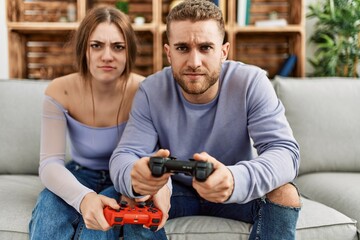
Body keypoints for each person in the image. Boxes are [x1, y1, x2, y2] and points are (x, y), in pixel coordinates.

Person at [109, 0, 302, 239]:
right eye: (182, 48)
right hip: (176, 190)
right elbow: (124, 156)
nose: (194, 62)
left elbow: (285, 152)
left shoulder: (251, 82)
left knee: (286, 194)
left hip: (234, 188)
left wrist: (234, 180)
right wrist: (142, 182)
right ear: (169, 53)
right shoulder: (151, 90)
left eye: (205, 48)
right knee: (133, 197)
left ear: (223, 51)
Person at [29, 6, 164, 240]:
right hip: (80, 172)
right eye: (96, 45)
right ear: (84, 50)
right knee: (48, 209)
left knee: (98, 230)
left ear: (128, 52)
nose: (107, 56)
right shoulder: (60, 91)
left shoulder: (146, 92)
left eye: (118, 47)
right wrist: (84, 197)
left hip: (124, 177)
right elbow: (50, 163)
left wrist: (139, 189)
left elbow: (155, 156)